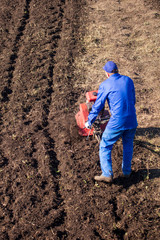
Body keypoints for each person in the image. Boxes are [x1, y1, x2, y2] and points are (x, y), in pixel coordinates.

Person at [85, 61, 138, 183]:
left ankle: (107, 174)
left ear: (107, 73)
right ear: (117, 70)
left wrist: (89, 121)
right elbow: (132, 100)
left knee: (105, 145)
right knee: (128, 145)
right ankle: (126, 172)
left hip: (117, 122)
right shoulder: (128, 80)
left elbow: (98, 105)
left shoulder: (105, 84)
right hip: (132, 120)